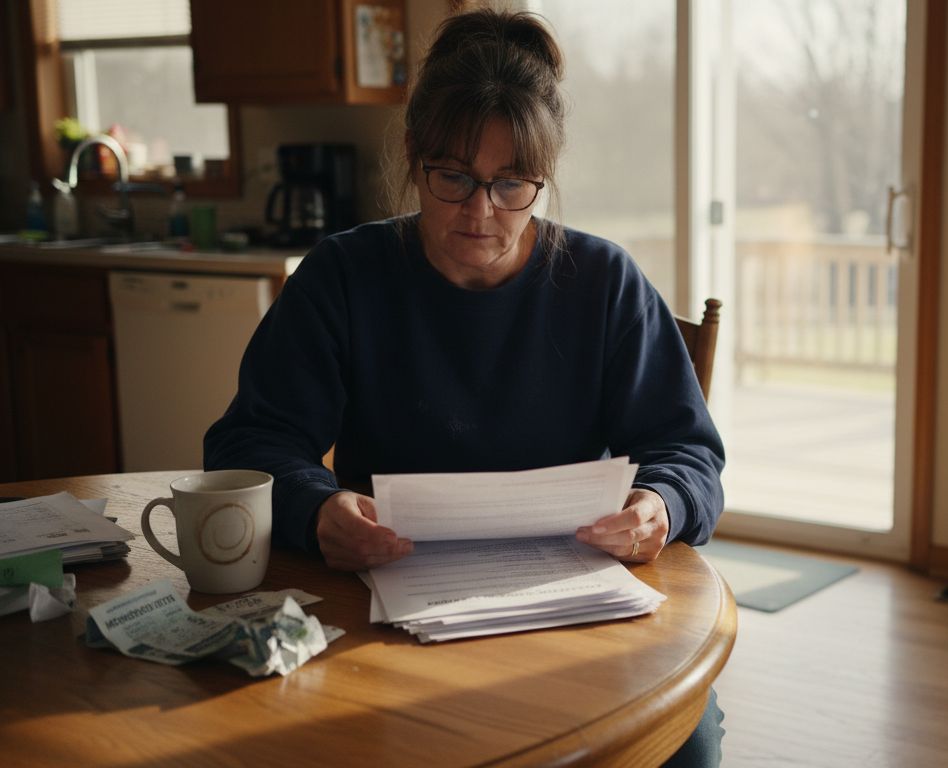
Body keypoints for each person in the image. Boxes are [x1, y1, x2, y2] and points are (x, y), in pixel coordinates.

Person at [203, 8, 725, 766]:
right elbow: (250, 443)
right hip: (387, 613)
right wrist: (317, 509)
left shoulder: (604, 283)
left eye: (511, 183)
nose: (481, 211)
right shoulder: (344, 277)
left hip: (570, 611)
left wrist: (660, 505)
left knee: (687, 744)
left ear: (542, 176)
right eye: (454, 177)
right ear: (414, 155)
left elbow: (686, 450)